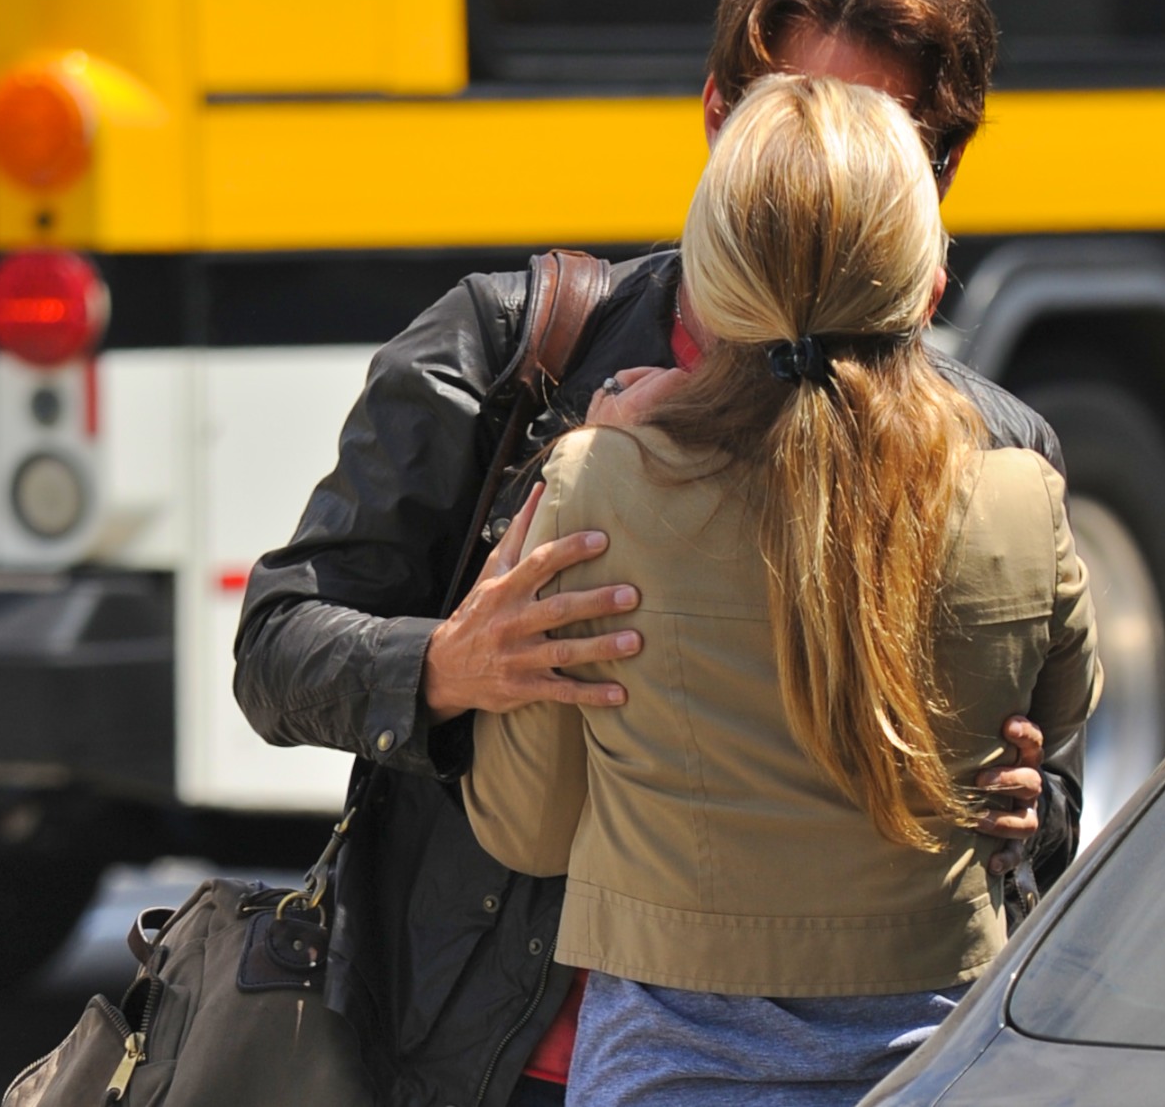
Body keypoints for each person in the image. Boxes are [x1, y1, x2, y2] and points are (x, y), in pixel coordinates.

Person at [235, 0, 1082, 1107]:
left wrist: (1020, 810)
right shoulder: (507, 349)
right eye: (788, 124)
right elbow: (275, 643)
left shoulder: (997, 455)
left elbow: (1050, 803)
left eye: (870, 135)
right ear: (714, 119)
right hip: (483, 1064)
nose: (819, 176)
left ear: (933, 181)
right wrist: (443, 668)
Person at [461, 73, 1101, 1105]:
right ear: (929, 284)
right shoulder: (1019, 498)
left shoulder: (600, 489)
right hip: (937, 1067)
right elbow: (1055, 725)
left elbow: (524, 825)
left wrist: (590, 465)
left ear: (706, 293)